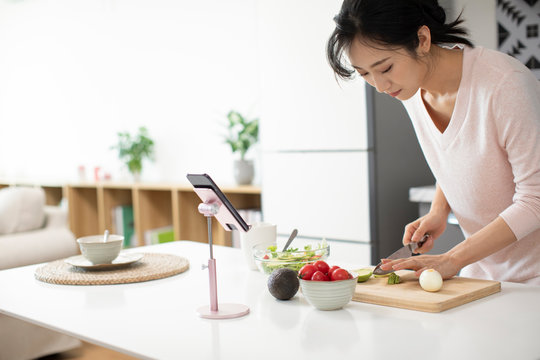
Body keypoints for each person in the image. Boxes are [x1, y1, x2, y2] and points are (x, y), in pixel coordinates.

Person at [327, 0, 540, 284]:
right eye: (364, 73)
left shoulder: (504, 85)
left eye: (386, 67)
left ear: (423, 40)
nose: (379, 85)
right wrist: (439, 210)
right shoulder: (410, 90)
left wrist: (452, 259)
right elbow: (458, 153)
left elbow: (535, 199)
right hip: (484, 275)